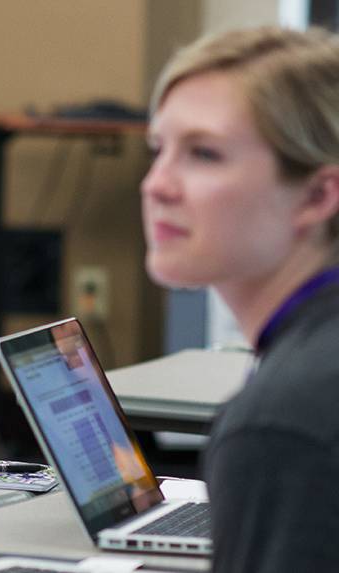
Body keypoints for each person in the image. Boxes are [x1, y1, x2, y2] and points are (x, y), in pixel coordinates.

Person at [143, 27, 339, 572]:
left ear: (318, 194)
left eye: (203, 154)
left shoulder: (285, 424)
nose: (156, 184)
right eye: (160, 150)